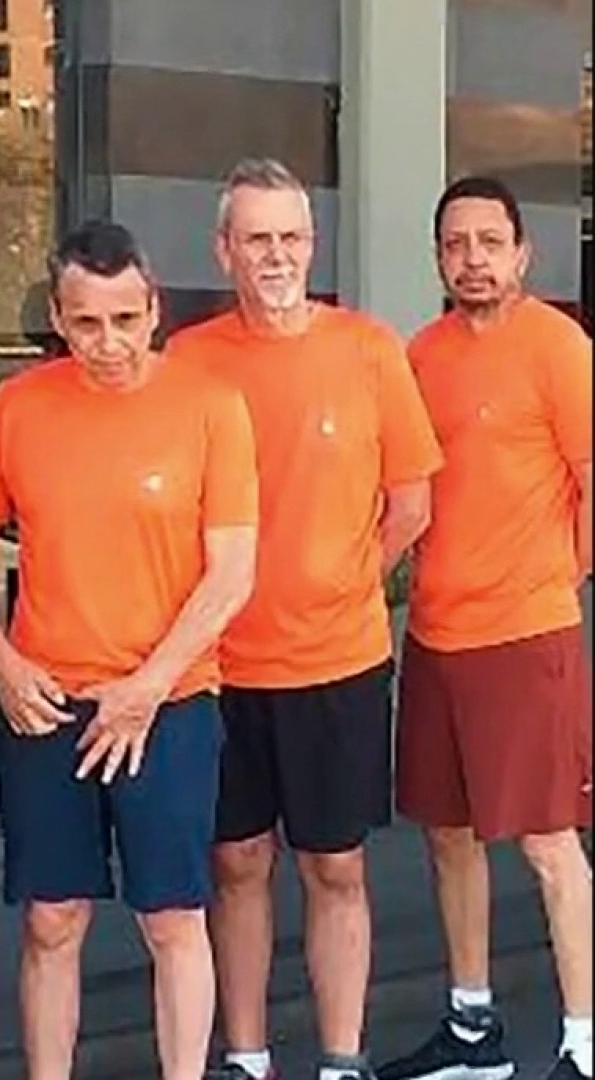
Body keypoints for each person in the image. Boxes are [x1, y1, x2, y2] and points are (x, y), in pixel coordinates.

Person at [0, 221, 259, 1080]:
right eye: (87, 323)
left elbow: (233, 571)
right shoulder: (19, 408)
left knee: (173, 919)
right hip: (46, 702)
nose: (109, 343)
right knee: (53, 921)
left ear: (154, 309)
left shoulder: (210, 406)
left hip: (170, 704)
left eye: (126, 319)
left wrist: (147, 688)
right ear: (58, 315)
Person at [170, 159, 444, 1080]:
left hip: (339, 663)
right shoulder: (191, 361)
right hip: (220, 670)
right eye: (257, 239)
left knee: (337, 870)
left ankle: (340, 1059)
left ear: (312, 244)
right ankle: (246, 1058)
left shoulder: (368, 349)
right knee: (237, 867)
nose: (276, 255)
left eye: (290, 237)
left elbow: (411, 501)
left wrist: (343, 581)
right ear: (225, 251)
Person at [377, 176, 594, 1080]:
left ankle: (582, 1039)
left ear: (521, 253)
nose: (473, 259)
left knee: (550, 843)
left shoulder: (560, 346)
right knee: (448, 835)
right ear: (439, 256)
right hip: (435, 634)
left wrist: (554, 582)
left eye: (489, 242)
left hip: (527, 632)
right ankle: (475, 1029)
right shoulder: (419, 355)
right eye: (456, 243)